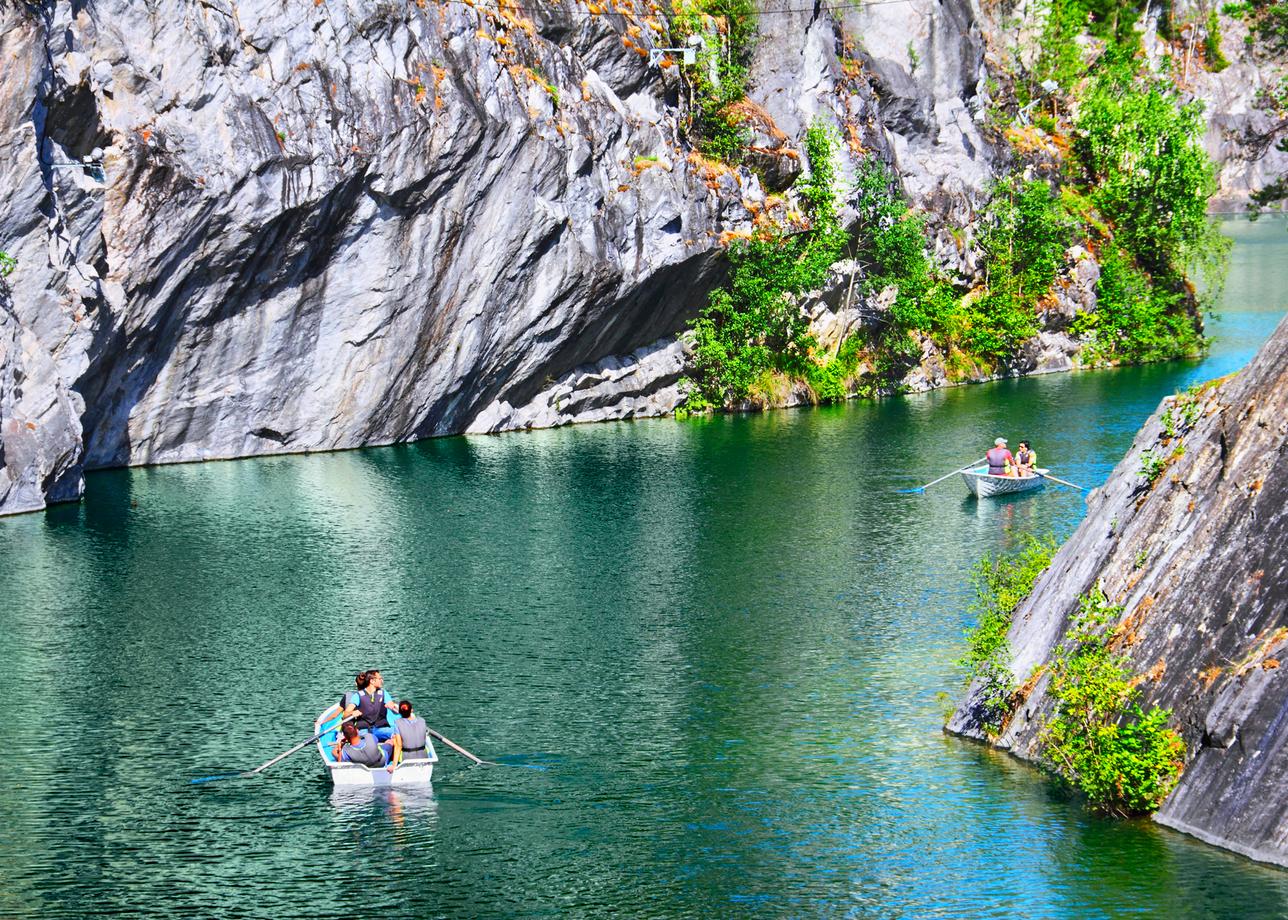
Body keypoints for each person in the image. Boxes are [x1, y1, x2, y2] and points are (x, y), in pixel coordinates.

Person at [340, 669, 398, 741]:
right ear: (372, 681)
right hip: (364, 730)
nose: (382, 681)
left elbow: (391, 704)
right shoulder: (358, 696)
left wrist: (392, 705)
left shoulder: (384, 693)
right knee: (360, 739)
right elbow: (345, 714)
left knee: (398, 734)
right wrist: (352, 713)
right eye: (380, 679)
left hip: (381, 728)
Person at [387, 699, 430, 772]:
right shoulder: (422, 721)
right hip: (423, 757)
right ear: (412, 710)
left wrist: (394, 765)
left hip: (407, 759)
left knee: (394, 740)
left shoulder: (398, 723)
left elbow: (398, 746)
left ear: (400, 712)